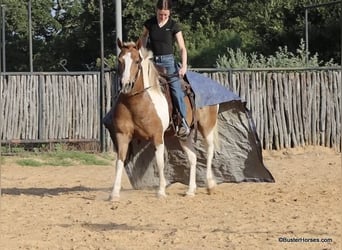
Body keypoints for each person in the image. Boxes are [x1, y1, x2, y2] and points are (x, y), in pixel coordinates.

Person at [141, 0, 190, 138]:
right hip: (153, 62)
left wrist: (184, 66)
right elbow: (143, 38)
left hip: (169, 63)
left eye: (165, 15)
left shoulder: (174, 25)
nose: (163, 17)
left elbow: (182, 48)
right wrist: (143, 54)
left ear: (169, 13)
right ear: (156, 11)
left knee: (176, 91)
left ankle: (183, 122)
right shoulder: (149, 24)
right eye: (161, 14)